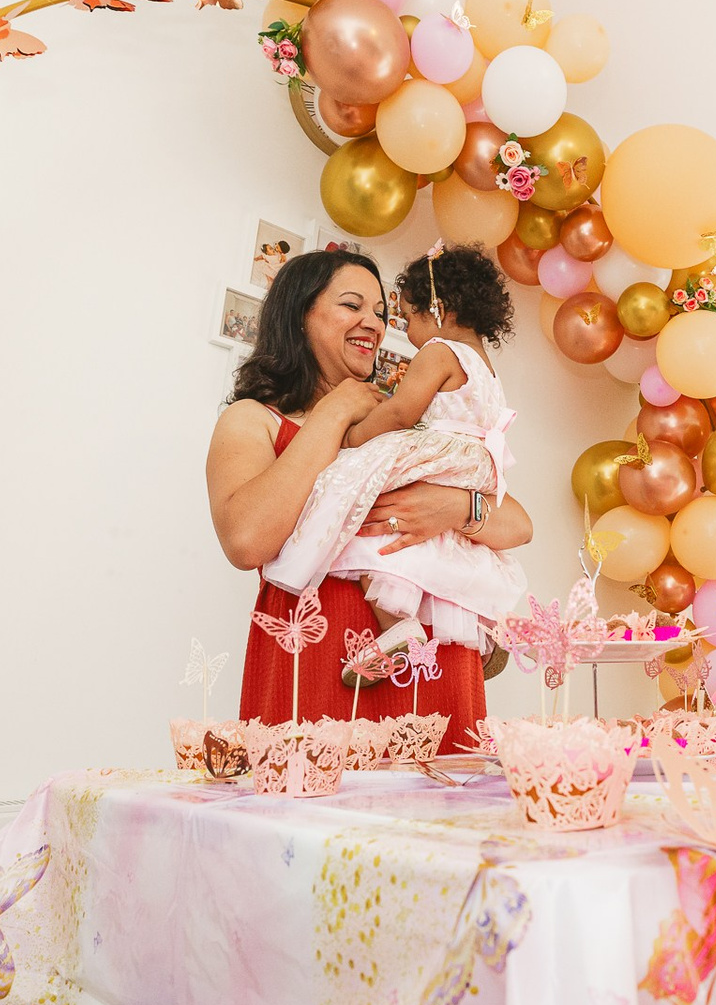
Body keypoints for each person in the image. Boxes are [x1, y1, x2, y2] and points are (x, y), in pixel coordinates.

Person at [206, 248, 534, 750]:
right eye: (351, 305)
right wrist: (335, 412)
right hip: (322, 661)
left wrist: (454, 508)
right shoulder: (254, 419)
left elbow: (517, 523)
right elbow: (247, 541)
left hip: (433, 665)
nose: (375, 324)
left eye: (381, 312)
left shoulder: (400, 419)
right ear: (299, 315)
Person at [262, 244, 527, 673]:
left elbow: (402, 412)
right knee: (446, 544)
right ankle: (481, 621)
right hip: (473, 462)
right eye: (352, 306)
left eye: (404, 318)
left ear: (437, 309)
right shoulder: (486, 367)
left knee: (357, 511)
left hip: (435, 451)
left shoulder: (438, 351)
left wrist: (355, 437)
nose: (402, 331)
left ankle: (397, 624)